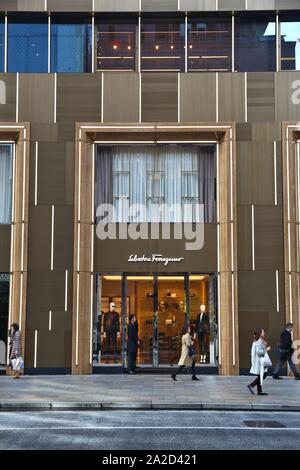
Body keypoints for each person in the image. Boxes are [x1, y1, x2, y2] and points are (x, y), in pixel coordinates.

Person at [247, 328, 271, 395]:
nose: (264, 333)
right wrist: (266, 350)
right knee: (263, 375)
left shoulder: (259, 340)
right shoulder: (259, 341)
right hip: (260, 360)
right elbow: (258, 352)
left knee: (261, 375)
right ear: (260, 333)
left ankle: (259, 391)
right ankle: (251, 385)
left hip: (260, 360)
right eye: (263, 332)